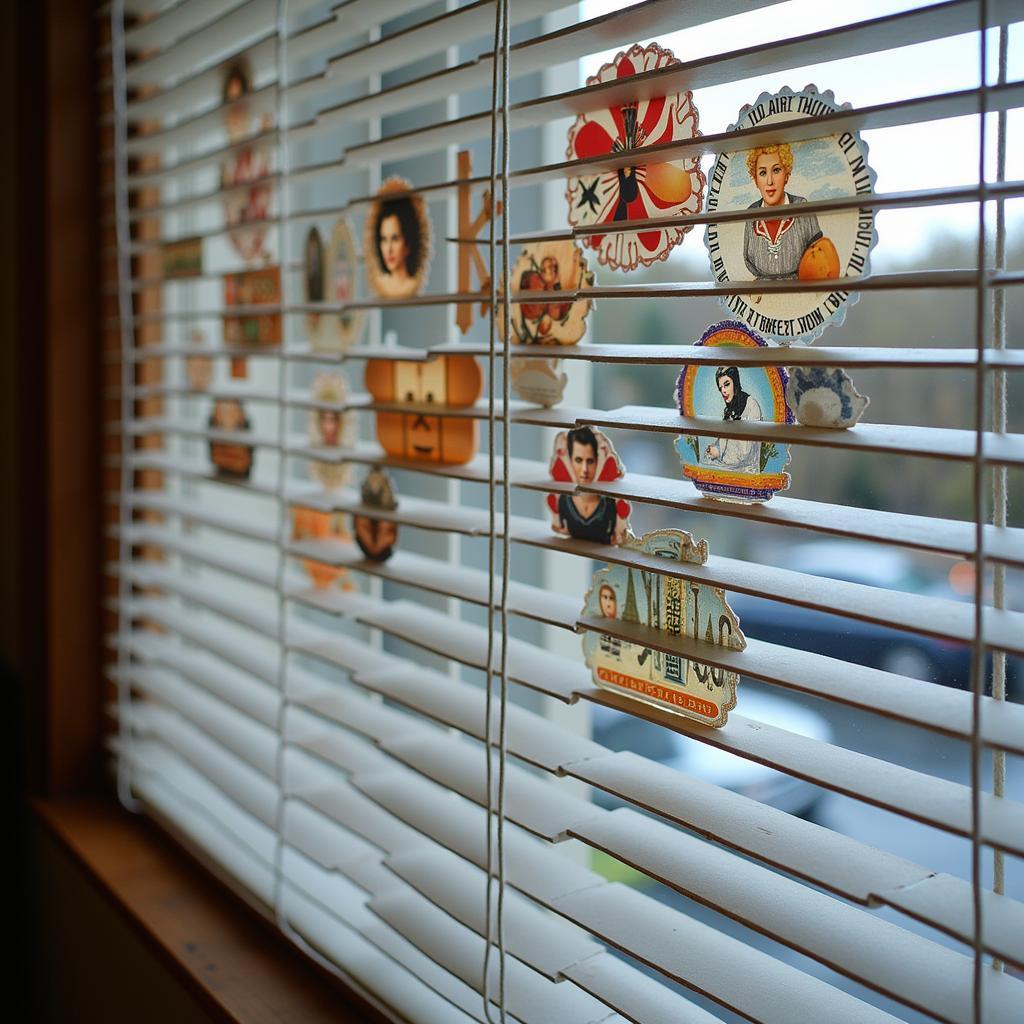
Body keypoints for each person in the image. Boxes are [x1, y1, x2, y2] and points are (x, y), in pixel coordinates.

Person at [742, 143, 823, 280]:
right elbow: (749, 260)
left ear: (786, 174)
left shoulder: (802, 207)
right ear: (755, 180)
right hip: (763, 296)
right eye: (762, 173)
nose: (769, 181)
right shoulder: (751, 214)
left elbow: (818, 256)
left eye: (776, 170)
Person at [555, 426, 620, 544]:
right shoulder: (563, 501)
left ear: (597, 461)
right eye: (578, 460)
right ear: (570, 460)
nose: (584, 470)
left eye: (590, 461)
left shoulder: (609, 503)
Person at [704, 366, 762, 474]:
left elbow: (745, 452)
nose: (723, 391)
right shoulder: (728, 411)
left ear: (735, 382)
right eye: (720, 388)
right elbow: (723, 447)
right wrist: (714, 451)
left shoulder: (751, 406)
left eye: (726, 385)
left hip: (746, 474)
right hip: (727, 470)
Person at [373, 196, 422, 297]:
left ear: (407, 242)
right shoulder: (380, 284)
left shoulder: (414, 285)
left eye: (395, 239)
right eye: (384, 239)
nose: (388, 249)